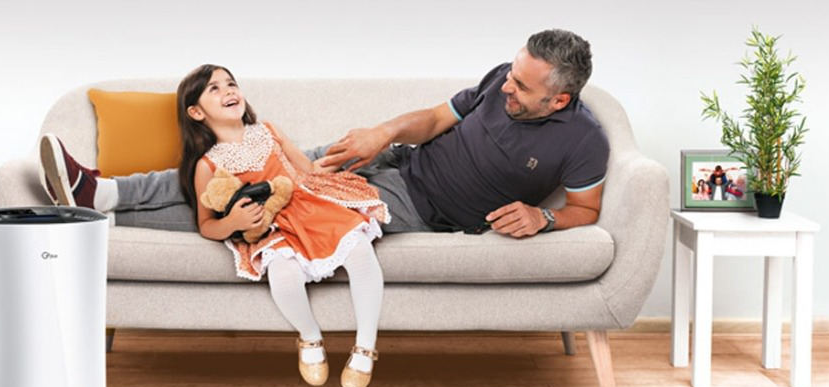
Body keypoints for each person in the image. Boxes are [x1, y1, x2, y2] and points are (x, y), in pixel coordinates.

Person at [39, 28, 610, 238]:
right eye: (510, 74)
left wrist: (545, 217)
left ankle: (96, 219)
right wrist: (382, 133)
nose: (507, 86)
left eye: (521, 87)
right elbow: (438, 119)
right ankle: (104, 192)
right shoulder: (501, 79)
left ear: (559, 99)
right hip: (395, 160)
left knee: (262, 204)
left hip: (416, 206)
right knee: (248, 158)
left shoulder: (583, 141)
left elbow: (585, 210)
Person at [42, 65, 390, 387]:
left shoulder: (268, 131)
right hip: (271, 227)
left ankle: (365, 348)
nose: (228, 91)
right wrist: (233, 223)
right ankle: (310, 338)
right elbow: (206, 225)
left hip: (309, 206)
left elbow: (306, 170)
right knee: (283, 274)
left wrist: (342, 165)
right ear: (196, 112)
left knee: (359, 251)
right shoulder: (207, 165)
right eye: (215, 88)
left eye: (231, 84)